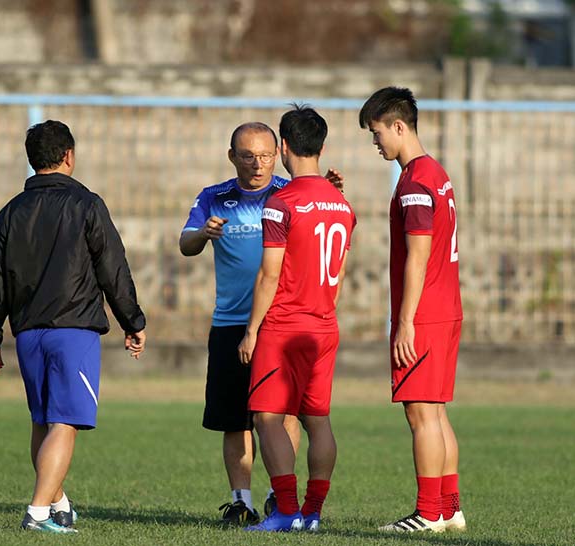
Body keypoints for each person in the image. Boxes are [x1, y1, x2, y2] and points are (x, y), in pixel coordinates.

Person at [0, 120, 146, 534]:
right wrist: (133, 320)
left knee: (43, 421)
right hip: (74, 330)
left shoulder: (11, 211)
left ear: (33, 161)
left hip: (29, 332)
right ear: (69, 156)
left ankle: (60, 504)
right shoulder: (86, 204)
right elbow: (113, 268)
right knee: (64, 423)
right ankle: (37, 514)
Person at [179, 121, 343, 525]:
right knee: (234, 419)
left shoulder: (288, 194)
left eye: (267, 155)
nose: (258, 164)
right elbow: (185, 244)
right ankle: (241, 500)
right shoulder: (214, 197)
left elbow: (314, 221)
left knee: (283, 415)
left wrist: (328, 187)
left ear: (279, 152)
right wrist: (203, 233)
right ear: (232, 156)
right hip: (231, 321)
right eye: (248, 155)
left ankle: (277, 496)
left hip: (278, 322)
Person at [238, 104, 356, 533]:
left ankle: (286, 510)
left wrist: (252, 329)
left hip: (284, 326)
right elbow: (339, 271)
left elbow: (270, 273)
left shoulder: (280, 203)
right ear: (321, 147)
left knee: (267, 416)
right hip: (324, 324)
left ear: (283, 147)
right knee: (317, 419)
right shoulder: (343, 205)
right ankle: (313, 513)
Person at [358, 87, 465, 533]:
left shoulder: (416, 182)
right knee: (435, 412)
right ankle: (449, 508)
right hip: (446, 307)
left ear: (398, 126)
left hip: (424, 314)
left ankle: (427, 513)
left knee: (420, 413)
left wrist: (404, 322)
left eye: (377, 132)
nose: (376, 142)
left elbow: (417, 255)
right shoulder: (434, 172)